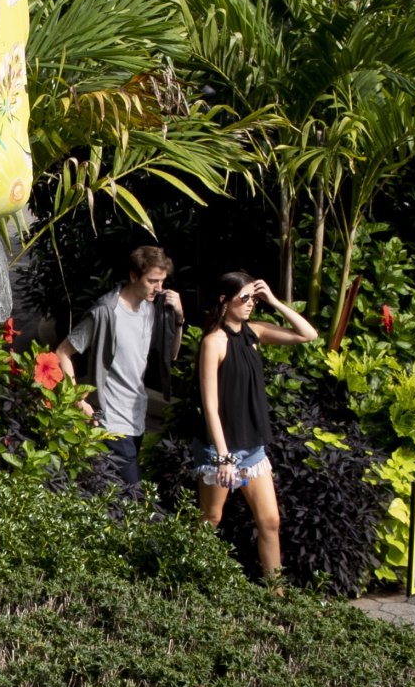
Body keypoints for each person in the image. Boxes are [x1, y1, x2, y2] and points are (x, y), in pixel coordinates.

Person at [191, 272, 317, 581]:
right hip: (222, 448)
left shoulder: (254, 333)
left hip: (252, 448)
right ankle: (185, 579)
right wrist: (222, 457)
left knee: (270, 522)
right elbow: (210, 405)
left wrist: (274, 300)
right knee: (211, 517)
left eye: (253, 298)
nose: (251, 304)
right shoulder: (213, 342)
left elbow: (307, 335)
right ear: (224, 299)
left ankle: (276, 593)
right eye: (244, 298)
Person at [61, 246, 185, 491]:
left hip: (136, 418)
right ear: (133, 276)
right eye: (152, 281)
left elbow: (171, 355)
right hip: (109, 420)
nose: (159, 288)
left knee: (109, 497)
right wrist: (77, 400)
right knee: (132, 498)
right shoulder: (106, 312)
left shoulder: (152, 309)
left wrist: (179, 317)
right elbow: (62, 352)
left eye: (162, 281)